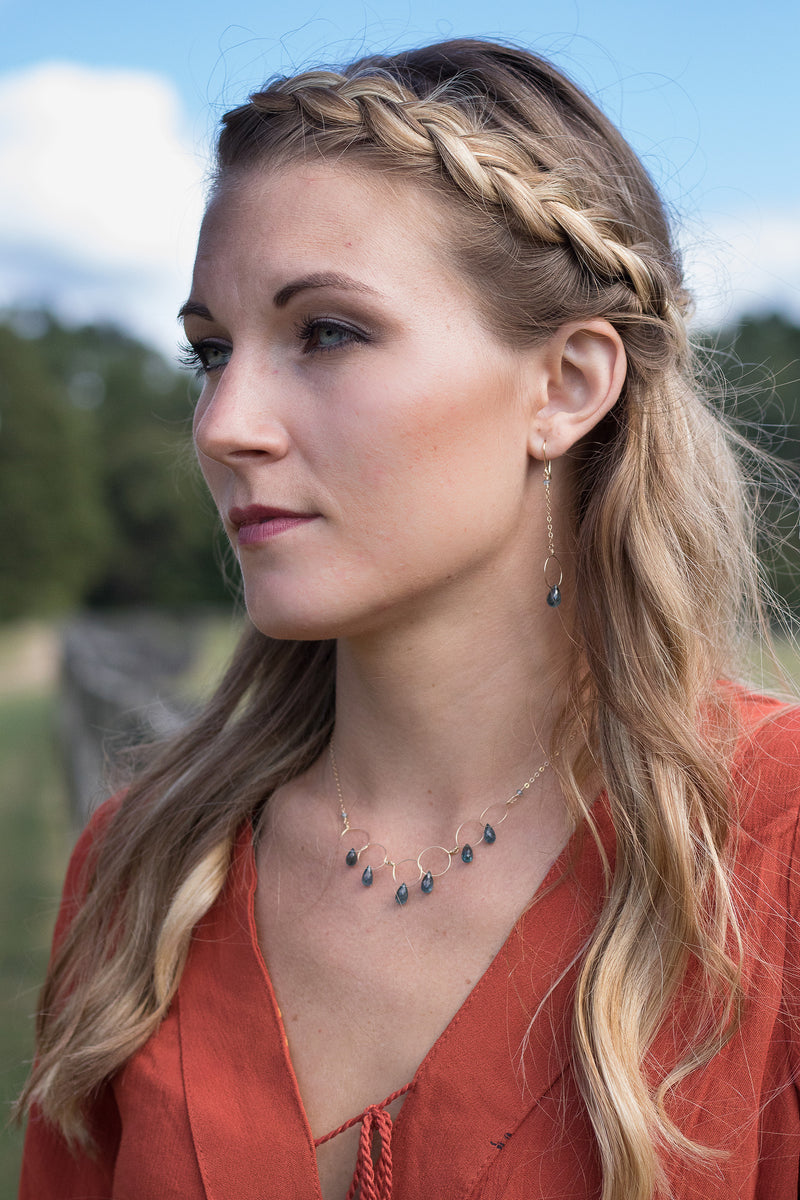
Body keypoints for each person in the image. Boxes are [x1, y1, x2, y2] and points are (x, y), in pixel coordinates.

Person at [17, 37, 800, 1200]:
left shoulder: (770, 848)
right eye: (209, 353)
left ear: (565, 386)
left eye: (324, 332)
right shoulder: (144, 870)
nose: (226, 422)